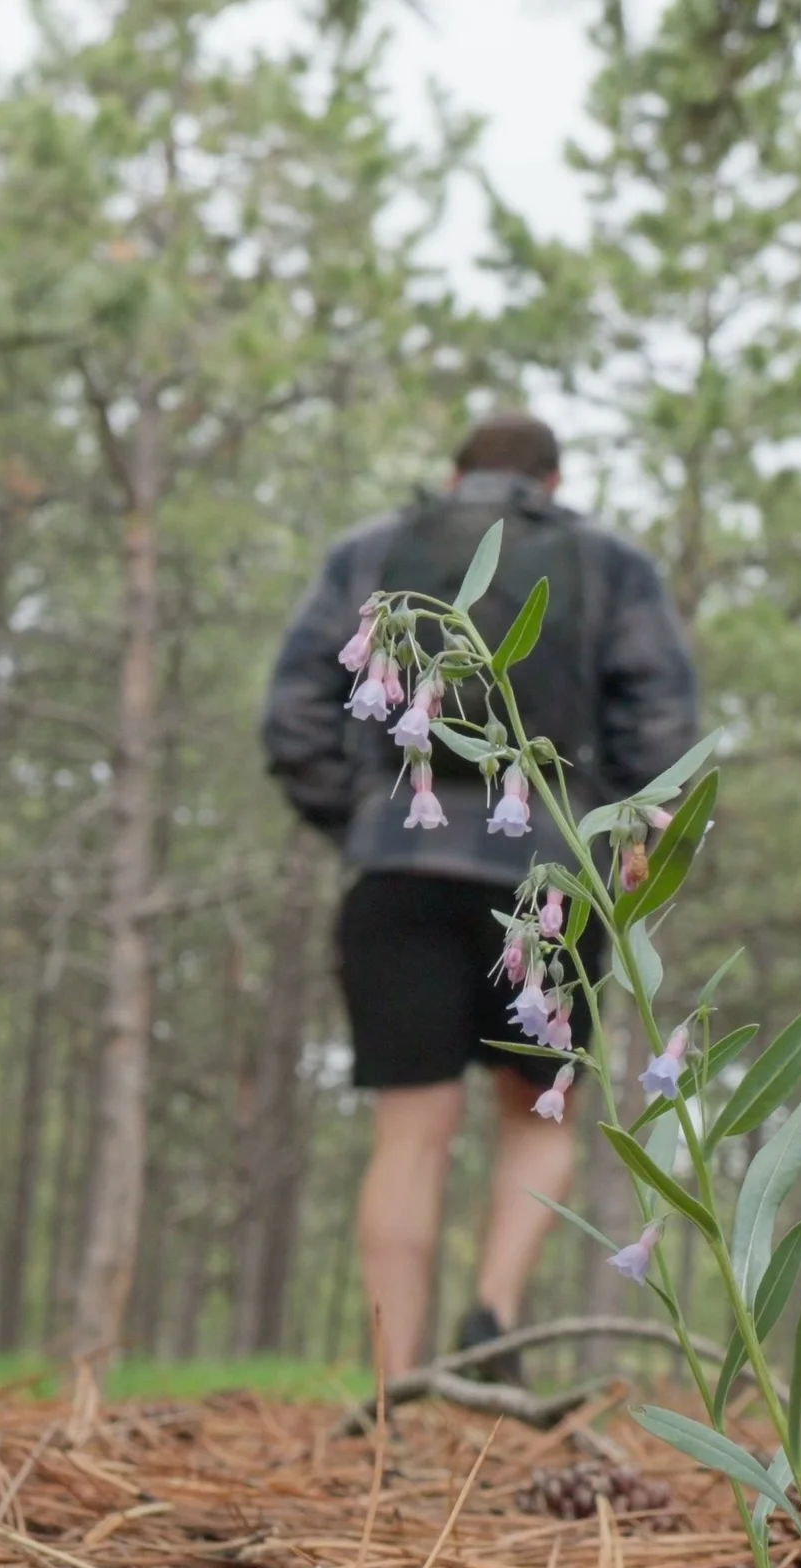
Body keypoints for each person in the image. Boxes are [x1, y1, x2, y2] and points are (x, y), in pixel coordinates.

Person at [262, 413, 700, 1383]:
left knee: (412, 1132)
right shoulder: (612, 564)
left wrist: (373, 824)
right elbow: (662, 720)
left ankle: (391, 1382)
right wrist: (634, 834)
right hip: (553, 876)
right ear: (553, 478)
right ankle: (494, 1321)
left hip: (397, 880)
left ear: (453, 473)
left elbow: (294, 713)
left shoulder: (369, 549)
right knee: (534, 1115)